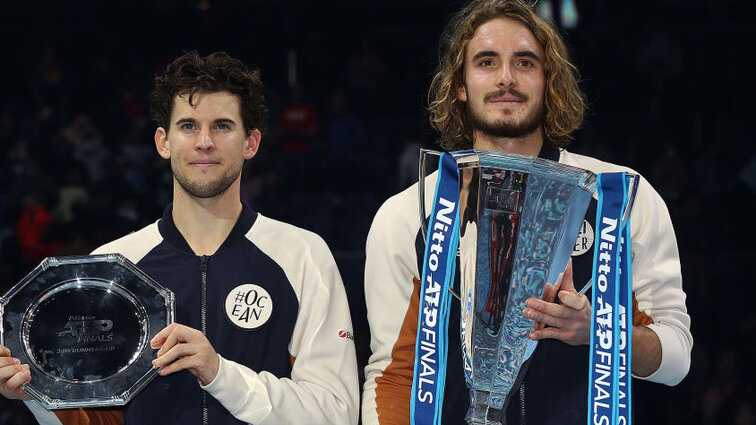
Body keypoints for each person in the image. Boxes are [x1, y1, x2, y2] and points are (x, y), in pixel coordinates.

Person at [361, 1, 692, 424]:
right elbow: (393, 373)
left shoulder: (619, 198)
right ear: (459, 84)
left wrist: (602, 334)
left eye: (525, 62)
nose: (506, 78)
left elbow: (677, 357)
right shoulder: (409, 214)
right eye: (486, 62)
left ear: (547, 79)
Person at [0, 51, 359, 425]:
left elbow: (337, 412)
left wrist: (221, 374)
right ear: (163, 141)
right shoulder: (112, 265)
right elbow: (97, 419)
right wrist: (35, 393)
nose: (204, 142)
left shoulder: (302, 254)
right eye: (188, 126)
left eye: (222, 126)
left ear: (251, 142)